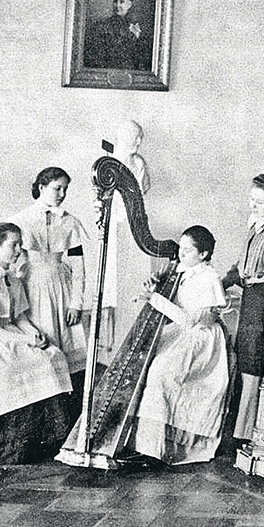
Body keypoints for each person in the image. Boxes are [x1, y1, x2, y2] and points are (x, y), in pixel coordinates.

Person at [0, 223, 72, 461]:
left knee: (53, 354)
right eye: (13, 245)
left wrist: (36, 335)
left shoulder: (13, 280)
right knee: (32, 362)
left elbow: (20, 317)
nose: (18, 250)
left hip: (10, 333)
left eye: (20, 245)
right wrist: (27, 340)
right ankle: (22, 441)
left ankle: (53, 437)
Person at [130, 226, 230, 465]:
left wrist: (154, 298)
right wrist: (155, 285)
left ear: (203, 254)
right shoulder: (181, 271)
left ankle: (158, 449)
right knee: (147, 367)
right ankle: (145, 445)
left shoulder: (209, 278)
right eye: (181, 248)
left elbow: (189, 321)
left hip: (201, 339)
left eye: (188, 250)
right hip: (180, 334)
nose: (180, 253)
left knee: (161, 374)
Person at [10, 167, 89, 423]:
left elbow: (78, 266)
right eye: (57, 188)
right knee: (42, 346)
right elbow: (11, 260)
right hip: (33, 288)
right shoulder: (21, 220)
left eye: (65, 189)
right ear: (42, 187)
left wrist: (76, 303)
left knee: (66, 346)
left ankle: (68, 417)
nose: (62, 194)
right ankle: (44, 419)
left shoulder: (70, 222)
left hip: (61, 287)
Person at [222, 174, 264, 442]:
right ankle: (242, 428)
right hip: (251, 298)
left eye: (259, 202)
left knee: (258, 360)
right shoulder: (254, 226)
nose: (253, 205)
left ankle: (258, 427)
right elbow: (242, 266)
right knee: (247, 358)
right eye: (252, 199)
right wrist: (220, 283)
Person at [101, 120, 151, 365]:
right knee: (113, 283)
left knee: (135, 280)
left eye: (141, 137)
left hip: (134, 227)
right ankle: (110, 345)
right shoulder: (108, 163)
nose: (138, 142)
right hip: (115, 228)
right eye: (135, 137)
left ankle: (132, 339)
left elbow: (141, 193)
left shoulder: (139, 164)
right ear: (122, 137)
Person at [83, 0, 152, 70]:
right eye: (115, 1)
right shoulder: (102, 26)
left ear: (129, 4)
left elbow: (142, 59)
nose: (117, 5)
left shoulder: (137, 27)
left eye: (121, 2)